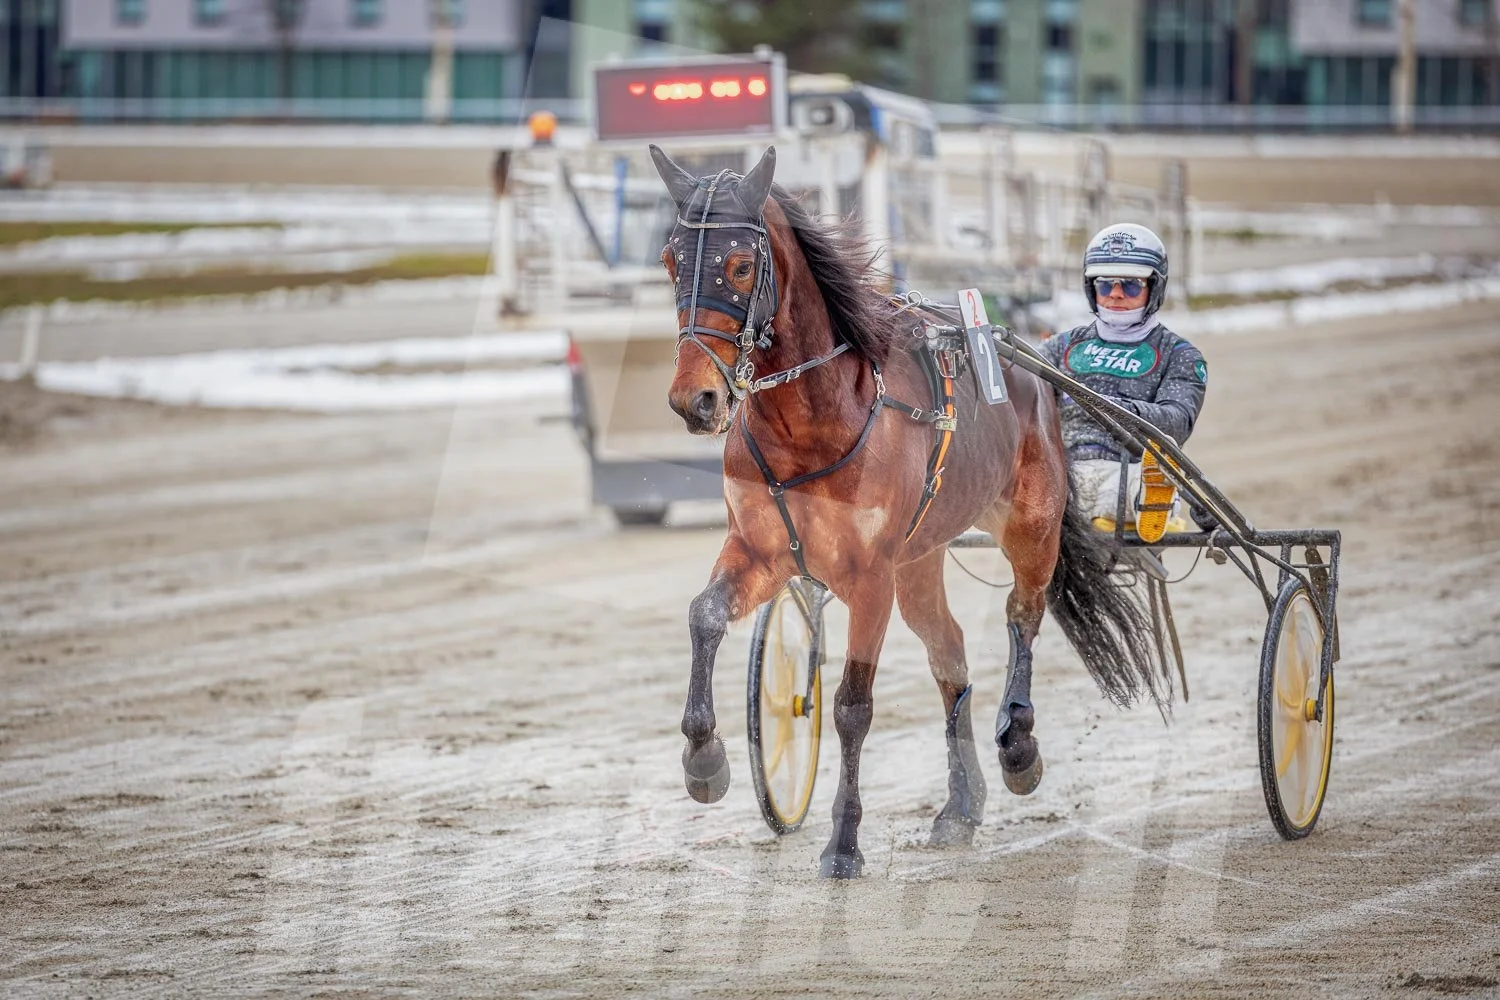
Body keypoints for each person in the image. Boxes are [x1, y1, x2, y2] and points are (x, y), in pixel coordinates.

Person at [1037, 223, 1208, 540]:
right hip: (1060, 471)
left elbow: (1178, 420)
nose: (1115, 294)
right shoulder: (1059, 347)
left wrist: (1114, 408)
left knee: (1133, 483)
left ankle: (1151, 498)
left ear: (1153, 288)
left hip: (1127, 469)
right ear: (1092, 289)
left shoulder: (1180, 354)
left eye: (1130, 286)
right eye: (1105, 285)